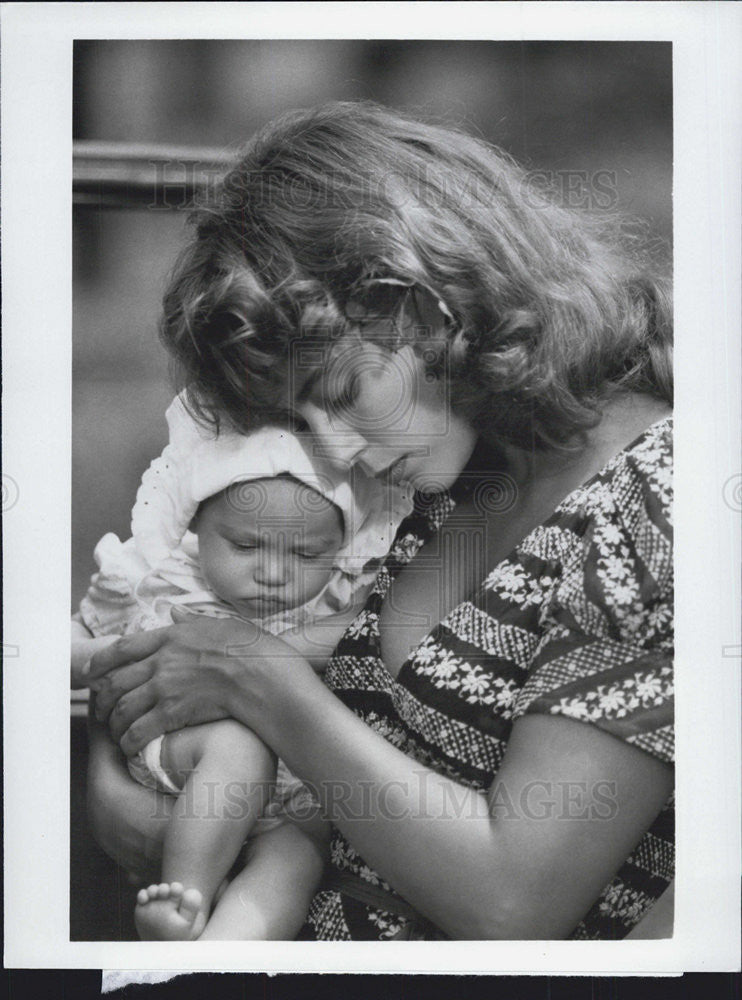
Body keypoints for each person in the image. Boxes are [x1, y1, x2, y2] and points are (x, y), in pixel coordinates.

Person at [87, 101, 674, 940]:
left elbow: (515, 899)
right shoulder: (446, 476)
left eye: (336, 394)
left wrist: (266, 684)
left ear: (423, 307)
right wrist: (121, 789)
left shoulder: (654, 504)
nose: (331, 448)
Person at [74, 391, 412, 939]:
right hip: (189, 751)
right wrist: (113, 657)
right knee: (239, 749)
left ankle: (220, 950)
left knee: (299, 854)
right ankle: (185, 899)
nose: (273, 574)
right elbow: (73, 645)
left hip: (292, 790)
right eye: (246, 545)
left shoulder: (334, 605)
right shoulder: (158, 579)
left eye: (304, 554)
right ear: (198, 526)